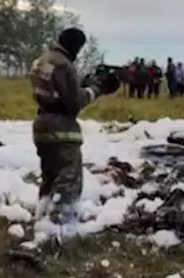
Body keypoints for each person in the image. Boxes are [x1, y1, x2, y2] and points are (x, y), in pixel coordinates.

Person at [29, 27, 118, 227]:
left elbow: (54, 90)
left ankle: (41, 219)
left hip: (42, 125)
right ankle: (58, 227)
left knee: (49, 178)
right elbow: (74, 101)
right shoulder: (63, 65)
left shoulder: (42, 61)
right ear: (76, 46)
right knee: (68, 181)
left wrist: (81, 85)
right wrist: (96, 89)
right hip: (62, 128)